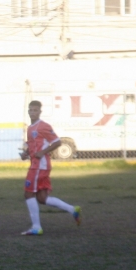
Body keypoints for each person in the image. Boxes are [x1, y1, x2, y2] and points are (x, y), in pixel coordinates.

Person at [19, 100, 81, 236]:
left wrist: (42, 152)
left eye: (35, 110)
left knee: (28, 193)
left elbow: (57, 142)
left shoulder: (44, 126)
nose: (32, 112)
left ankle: (36, 227)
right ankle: (73, 209)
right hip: (37, 165)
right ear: (28, 111)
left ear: (40, 112)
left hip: (40, 166)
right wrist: (25, 154)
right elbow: (31, 146)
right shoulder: (30, 128)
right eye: (30, 110)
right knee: (42, 198)